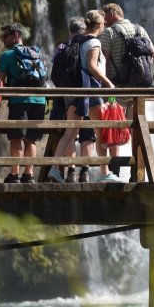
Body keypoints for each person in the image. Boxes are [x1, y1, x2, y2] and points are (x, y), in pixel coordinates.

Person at [50, 10, 120, 183]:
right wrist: (108, 83)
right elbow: (91, 67)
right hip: (91, 91)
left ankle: (54, 168)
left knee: (69, 132)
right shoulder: (94, 42)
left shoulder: (76, 40)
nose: (104, 26)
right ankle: (105, 174)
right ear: (99, 25)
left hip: (76, 91)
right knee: (101, 131)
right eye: (103, 23)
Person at [100, 3, 154, 175]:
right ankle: (136, 170)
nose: (103, 19)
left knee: (113, 126)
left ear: (112, 14)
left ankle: (114, 171)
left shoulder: (109, 33)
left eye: (105, 15)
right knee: (137, 129)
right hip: (137, 92)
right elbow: (153, 55)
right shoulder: (140, 30)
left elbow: (104, 60)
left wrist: (104, 83)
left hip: (114, 91)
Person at [0, 23, 46, 183]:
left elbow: (0, 82)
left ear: (16, 35)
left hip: (19, 101)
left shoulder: (7, 55)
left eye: (6, 36)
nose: (3, 40)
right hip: (40, 101)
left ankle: (14, 174)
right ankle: (29, 174)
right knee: (31, 139)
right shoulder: (35, 52)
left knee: (16, 138)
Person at [49, 17, 96, 183]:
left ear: (70, 30)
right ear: (84, 29)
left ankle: (71, 173)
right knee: (87, 134)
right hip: (85, 94)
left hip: (66, 95)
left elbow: (54, 73)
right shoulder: (87, 45)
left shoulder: (61, 48)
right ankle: (85, 172)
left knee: (71, 133)